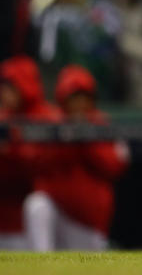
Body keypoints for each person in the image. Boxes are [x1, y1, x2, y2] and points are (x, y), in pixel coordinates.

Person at [24, 65, 129, 251]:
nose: (79, 104)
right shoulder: (52, 124)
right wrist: (63, 138)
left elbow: (115, 166)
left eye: (84, 98)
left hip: (88, 220)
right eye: (74, 98)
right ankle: (40, 268)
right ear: (63, 99)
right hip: (57, 211)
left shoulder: (102, 125)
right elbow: (34, 162)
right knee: (37, 206)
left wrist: (85, 137)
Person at [0, 56, 58, 250]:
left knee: (38, 206)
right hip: (6, 217)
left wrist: (11, 153)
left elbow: (42, 168)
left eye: (9, 87)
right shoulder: (4, 118)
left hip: (46, 216)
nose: (3, 94)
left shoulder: (48, 117)